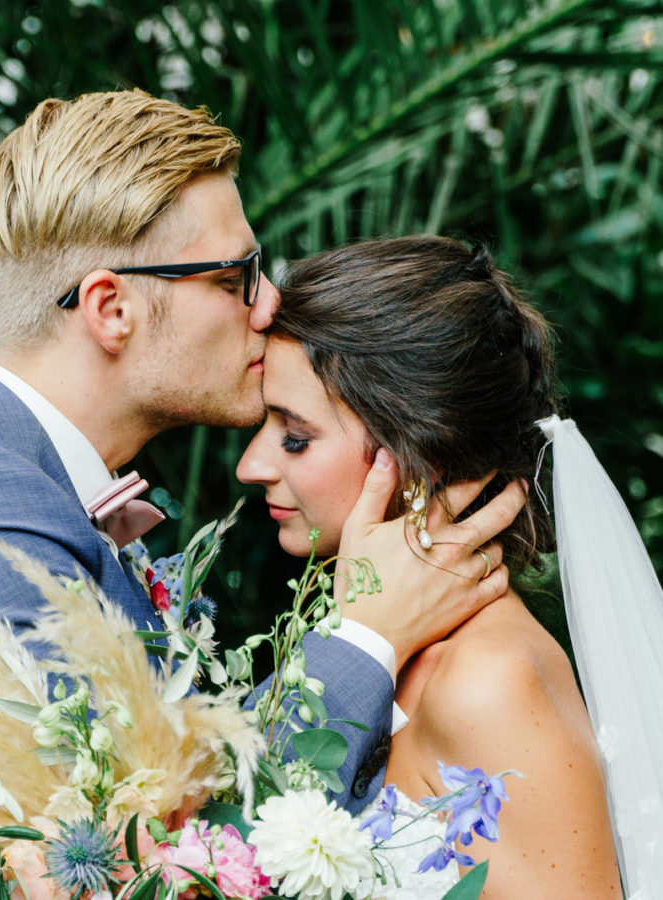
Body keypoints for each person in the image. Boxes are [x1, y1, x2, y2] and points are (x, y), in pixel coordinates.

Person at [0, 94, 521, 896]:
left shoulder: (19, 487)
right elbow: (139, 862)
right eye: (236, 277)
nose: (269, 304)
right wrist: (365, 635)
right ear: (112, 309)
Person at [237, 236, 640, 898]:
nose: (250, 465)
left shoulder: (489, 683)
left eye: (295, 437)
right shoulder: (375, 642)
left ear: (421, 455)